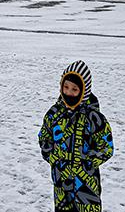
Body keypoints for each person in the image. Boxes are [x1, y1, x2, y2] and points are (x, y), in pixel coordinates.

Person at [38, 60, 114, 212]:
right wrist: (53, 157)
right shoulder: (54, 114)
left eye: (74, 89)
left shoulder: (94, 118)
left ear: (84, 91)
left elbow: (107, 147)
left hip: (86, 186)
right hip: (61, 183)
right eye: (65, 87)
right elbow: (44, 137)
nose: (68, 92)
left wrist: (87, 161)